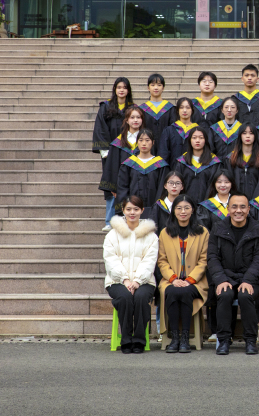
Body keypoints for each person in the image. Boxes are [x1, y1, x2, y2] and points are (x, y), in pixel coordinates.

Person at [208, 193, 259, 355]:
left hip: (251, 279)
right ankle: (224, 340)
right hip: (226, 278)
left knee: (245, 295)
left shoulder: (257, 229)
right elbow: (212, 257)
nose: (238, 210)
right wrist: (220, 279)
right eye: (234, 206)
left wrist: (248, 280)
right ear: (228, 209)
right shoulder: (218, 228)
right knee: (225, 294)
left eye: (242, 207)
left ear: (248, 209)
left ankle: (250, 340)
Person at [103, 195, 158, 354]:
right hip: (117, 281)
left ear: (142, 210)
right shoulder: (112, 235)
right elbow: (110, 260)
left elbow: (149, 261)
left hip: (145, 281)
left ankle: (139, 340)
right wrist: (125, 280)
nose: (132, 212)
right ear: (123, 210)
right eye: (128, 209)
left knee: (141, 297)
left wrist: (138, 281)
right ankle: (126, 340)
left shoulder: (151, 236)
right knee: (125, 297)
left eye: (136, 209)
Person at [157, 194, 210, 354]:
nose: (183, 211)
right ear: (173, 211)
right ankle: (175, 338)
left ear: (192, 210)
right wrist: (173, 279)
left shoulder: (202, 232)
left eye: (187, 208)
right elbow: (162, 261)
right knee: (173, 291)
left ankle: (185, 337)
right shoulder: (165, 233)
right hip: (170, 280)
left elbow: (204, 260)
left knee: (185, 291)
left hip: (195, 281)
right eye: (179, 208)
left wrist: (190, 280)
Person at [93, 77, 132, 230]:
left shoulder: (133, 108)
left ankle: (126, 218)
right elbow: (100, 128)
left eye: (125, 87)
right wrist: (106, 152)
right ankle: (110, 220)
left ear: (128, 90)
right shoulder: (106, 107)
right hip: (111, 153)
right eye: (119, 87)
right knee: (111, 184)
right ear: (115, 89)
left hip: (129, 151)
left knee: (128, 183)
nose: (122, 90)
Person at [99, 104, 144, 231]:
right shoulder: (118, 142)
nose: (135, 120)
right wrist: (113, 186)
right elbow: (112, 166)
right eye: (132, 117)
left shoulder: (147, 140)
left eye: (138, 117)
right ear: (127, 120)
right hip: (122, 184)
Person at [117, 129, 169, 216]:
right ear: (137, 142)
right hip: (133, 210)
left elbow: (162, 188)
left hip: (155, 210)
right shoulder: (129, 164)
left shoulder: (160, 165)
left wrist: (158, 207)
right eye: (141, 140)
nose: (144, 143)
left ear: (153, 142)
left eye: (147, 140)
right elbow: (122, 187)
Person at [173, 126, 223, 205]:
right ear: (190, 140)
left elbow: (214, 186)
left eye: (201, 138)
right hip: (185, 206)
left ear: (206, 140)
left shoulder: (214, 162)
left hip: (208, 205)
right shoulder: (182, 161)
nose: (197, 140)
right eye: (194, 138)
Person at [225, 124, 259, 200]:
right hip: (235, 201)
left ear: (255, 136)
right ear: (240, 136)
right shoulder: (231, 158)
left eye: (251, 133)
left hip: (256, 201)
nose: (248, 136)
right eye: (244, 133)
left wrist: (256, 201)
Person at [139, 73, 176, 153]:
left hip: (166, 147)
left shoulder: (170, 108)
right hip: (146, 148)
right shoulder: (142, 109)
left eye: (159, 85)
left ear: (163, 88)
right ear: (148, 88)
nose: (156, 87)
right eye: (152, 85)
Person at [158, 97, 199, 165]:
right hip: (173, 169)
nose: (184, 110)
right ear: (177, 110)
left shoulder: (198, 131)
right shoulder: (169, 130)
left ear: (192, 110)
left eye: (188, 108)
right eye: (181, 107)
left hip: (192, 169)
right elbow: (163, 154)